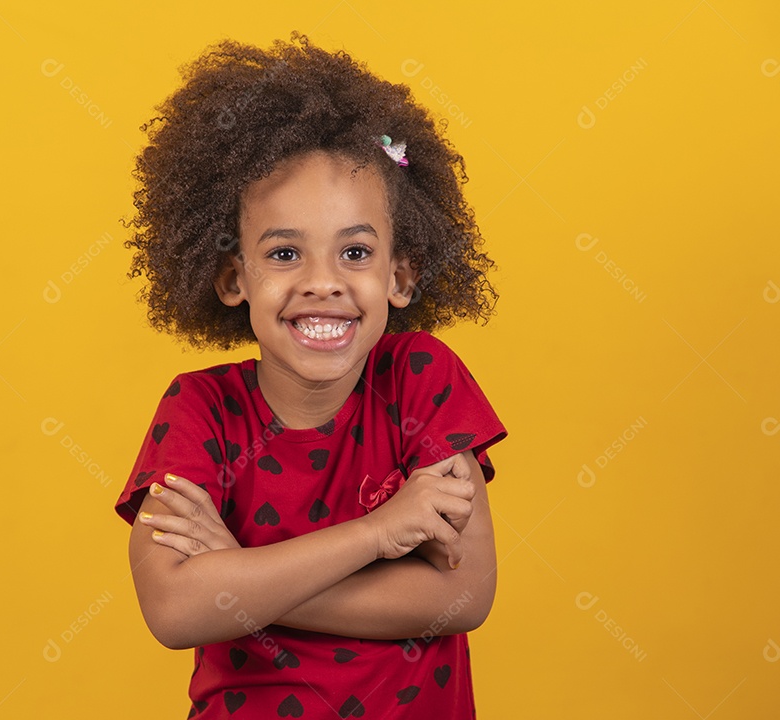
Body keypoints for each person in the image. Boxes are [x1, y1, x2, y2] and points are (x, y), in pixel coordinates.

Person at [113, 31, 508, 718]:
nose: (324, 283)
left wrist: (239, 577)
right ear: (236, 277)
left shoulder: (421, 380)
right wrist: (378, 535)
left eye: (355, 251)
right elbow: (176, 610)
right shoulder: (199, 410)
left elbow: (464, 596)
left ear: (401, 276)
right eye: (285, 253)